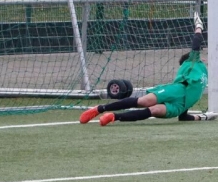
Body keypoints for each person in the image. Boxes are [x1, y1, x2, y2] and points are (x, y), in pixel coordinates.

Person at [79, 14, 210, 126]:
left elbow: (183, 117)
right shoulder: (193, 62)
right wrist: (199, 26)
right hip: (176, 91)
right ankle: (100, 109)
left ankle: (113, 117)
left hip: (179, 106)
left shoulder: (201, 71)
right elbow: (196, 43)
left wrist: (203, 117)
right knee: (143, 101)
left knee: (154, 110)